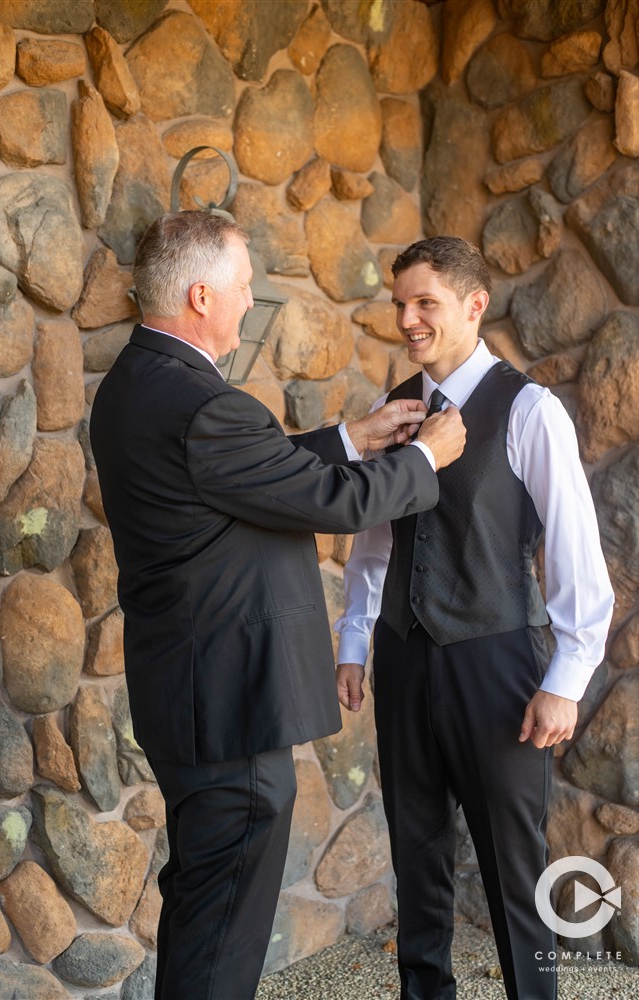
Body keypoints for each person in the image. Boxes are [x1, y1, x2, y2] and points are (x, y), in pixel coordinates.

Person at [90, 212, 466, 1000]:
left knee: (204, 902)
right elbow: (326, 502)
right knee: (221, 923)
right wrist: (426, 457)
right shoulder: (200, 402)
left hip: (194, 695)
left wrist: (348, 436)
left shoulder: (138, 382)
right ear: (200, 296)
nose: (250, 300)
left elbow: (239, 476)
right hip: (231, 705)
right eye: (243, 287)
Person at [335, 236, 614, 1000]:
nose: (408, 320)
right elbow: (373, 543)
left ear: (472, 305)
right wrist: (355, 641)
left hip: (494, 666)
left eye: (424, 303)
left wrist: (565, 680)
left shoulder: (529, 410)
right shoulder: (394, 410)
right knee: (415, 859)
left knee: (513, 866)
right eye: (399, 305)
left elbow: (575, 558)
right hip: (401, 659)